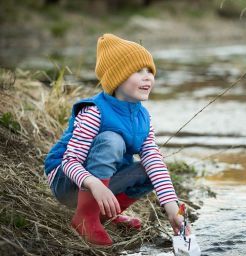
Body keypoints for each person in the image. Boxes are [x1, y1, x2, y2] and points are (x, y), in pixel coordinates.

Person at [44, 33, 190, 246]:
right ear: (117, 78)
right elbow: (69, 162)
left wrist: (172, 208)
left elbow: (153, 160)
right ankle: (86, 217)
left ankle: (104, 214)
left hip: (103, 183)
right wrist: (94, 184)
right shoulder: (95, 111)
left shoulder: (143, 117)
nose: (148, 76)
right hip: (69, 182)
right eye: (138, 71)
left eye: (150, 71)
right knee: (112, 140)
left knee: (153, 168)